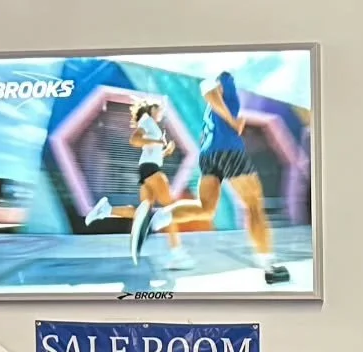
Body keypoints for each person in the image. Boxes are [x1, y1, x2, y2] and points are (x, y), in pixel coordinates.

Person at [165, 70, 289, 283]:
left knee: (205, 209)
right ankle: (267, 264)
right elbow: (209, 92)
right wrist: (232, 121)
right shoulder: (224, 76)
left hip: (209, 154)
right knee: (253, 205)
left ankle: (157, 218)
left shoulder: (223, 91)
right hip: (228, 150)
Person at [84, 101, 191, 270]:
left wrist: (165, 151)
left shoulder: (152, 125)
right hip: (151, 170)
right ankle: (177, 254)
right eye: (160, 109)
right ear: (152, 109)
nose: (161, 112)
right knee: (170, 210)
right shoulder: (147, 120)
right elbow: (134, 140)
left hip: (147, 169)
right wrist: (158, 142)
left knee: (143, 215)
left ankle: (107, 209)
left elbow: (151, 152)